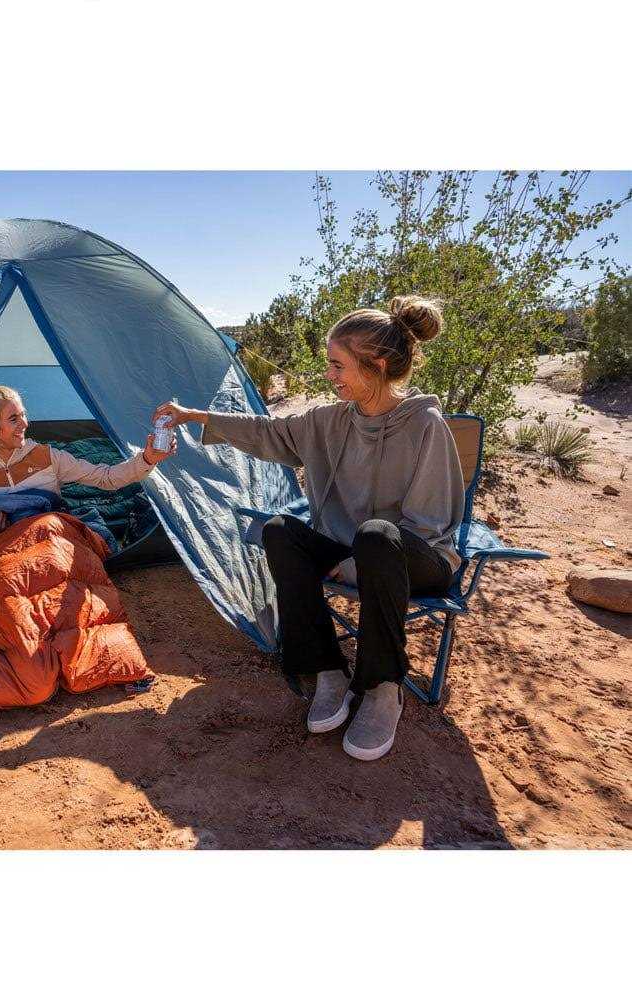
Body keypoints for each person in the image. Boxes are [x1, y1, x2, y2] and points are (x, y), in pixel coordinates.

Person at [155, 295, 464, 761]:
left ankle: (382, 687)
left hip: (414, 558)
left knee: (377, 535)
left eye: (338, 365)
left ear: (378, 365)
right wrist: (194, 416)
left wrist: (354, 566)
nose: (329, 374)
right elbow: (268, 431)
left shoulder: (425, 424)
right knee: (280, 530)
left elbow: (428, 522)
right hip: (350, 550)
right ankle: (327, 669)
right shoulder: (329, 420)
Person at [0, 384, 175, 535]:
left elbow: (106, 478)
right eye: (13, 419)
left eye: (24, 415)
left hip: (53, 540)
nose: (25, 424)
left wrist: (147, 459)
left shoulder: (47, 456)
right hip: (8, 551)